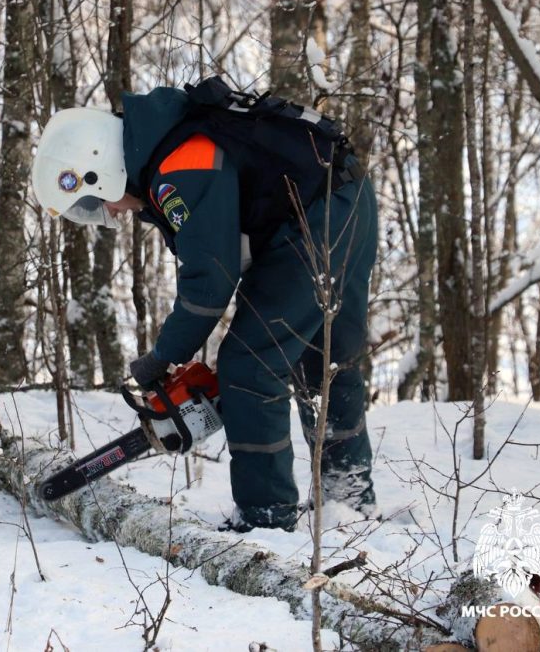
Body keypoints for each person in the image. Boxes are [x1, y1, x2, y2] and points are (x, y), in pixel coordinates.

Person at [30, 77, 378, 531]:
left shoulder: (180, 164)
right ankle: (347, 495)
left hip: (315, 223)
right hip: (344, 201)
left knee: (250, 367)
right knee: (325, 361)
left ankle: (266, 516)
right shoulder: (170, 145)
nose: (110, 212)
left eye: (96, 202)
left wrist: (165, 355)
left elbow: (211, 278)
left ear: (100, 167)